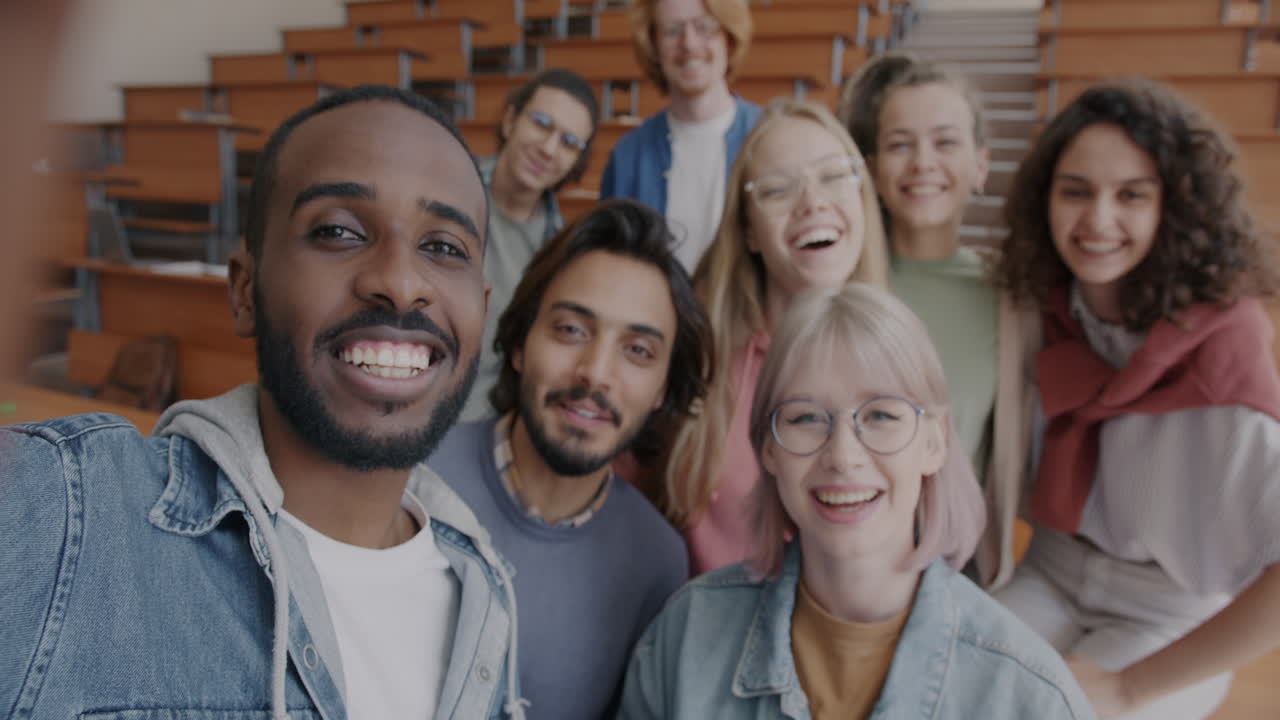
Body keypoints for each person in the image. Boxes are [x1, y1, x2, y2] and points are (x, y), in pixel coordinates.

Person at [0, 86, 528, 720]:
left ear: (484, 309)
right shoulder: (68, 513)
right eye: (338, 230)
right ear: (245, 290)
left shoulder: (485, 591)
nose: (400, 281)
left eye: (444, 247)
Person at [617, 283, 1096, 719]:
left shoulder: (1030, 696)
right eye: (805, 418)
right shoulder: (683, 638)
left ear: (936, 442)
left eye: (882, 415)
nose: (843, 456)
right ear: (767, 449)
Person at [990, 79, 1280, 719]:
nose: (1097, 220)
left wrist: (1130, 689)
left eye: (1131, 196)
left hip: (1168, 608)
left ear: (1171, 209)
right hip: (1050, 571)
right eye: (1076, 192)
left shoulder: (1225, 356)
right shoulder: (1038, 308)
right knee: (946, 694)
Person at [429, 199, 709, 720]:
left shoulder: (656, 562)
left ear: (661, 391)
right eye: (571, 330)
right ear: (519, 344)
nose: (596, 373)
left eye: (638, 351)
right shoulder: (413, 476)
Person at [661, 98, 889, 575]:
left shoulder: (901, 356)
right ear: (749, 233)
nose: (813, 202)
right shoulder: (693, 356)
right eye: (778, 189)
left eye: (832, 175)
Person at [838, 55, 1028, 587]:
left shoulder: (1012, 297)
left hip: (955, 564)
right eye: (900, 144)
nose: (923, 162)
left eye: (945, 142)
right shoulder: (840, 286)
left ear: (981, 165)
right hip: (841, 547)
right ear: (874, 170)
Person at [463, 68, 600, 422]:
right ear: (510, 121)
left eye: (569, 143)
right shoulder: (447, 187)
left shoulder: (562, 255)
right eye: (541, 123)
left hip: (480, 427)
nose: (549, 148)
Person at [599, 0, 759, 271]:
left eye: (705, 27)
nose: (690, 44)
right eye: (672, 30)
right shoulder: (628, 156)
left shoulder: (767, 137)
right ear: (653, 46)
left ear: (729, 39)